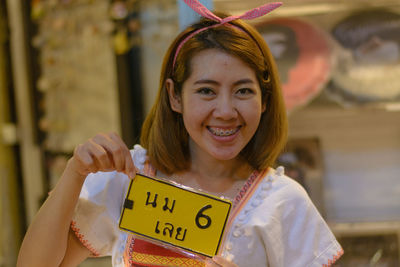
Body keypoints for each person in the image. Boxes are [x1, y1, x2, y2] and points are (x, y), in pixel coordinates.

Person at [17, 1, 343, 266]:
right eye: (206, 91)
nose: (226, 111)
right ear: (175, 96)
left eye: (243, 91)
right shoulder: (129, 178)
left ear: (265, 100)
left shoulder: (281, 202)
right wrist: (74, 173)